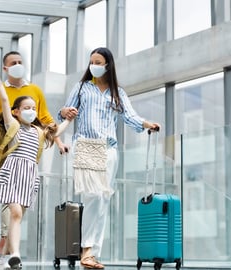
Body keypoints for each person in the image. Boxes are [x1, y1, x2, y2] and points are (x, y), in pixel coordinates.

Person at [58, 47, 160, 269]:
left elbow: (130, 117)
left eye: (98, 61)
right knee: (93, 195)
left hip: (109, 149)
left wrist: (147, 124)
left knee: (103, 199)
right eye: (91, 61)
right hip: (86, 144)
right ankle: (86, 250)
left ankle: (92, 253)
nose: (93, 65)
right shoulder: (82, 87)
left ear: (107, 65)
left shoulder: (117, 93)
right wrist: (65, 112)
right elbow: (64, 112)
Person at [0, 51, 68, 264]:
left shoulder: (36, 122)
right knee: (13, 211)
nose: (31, 111)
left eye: (33, 108)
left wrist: (66, 125)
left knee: (18, 215)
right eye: (13, 63)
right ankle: (12, 252)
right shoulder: (13, 123)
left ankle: (8, 252)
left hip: (29, 173)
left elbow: (51, 126)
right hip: (10, 163)